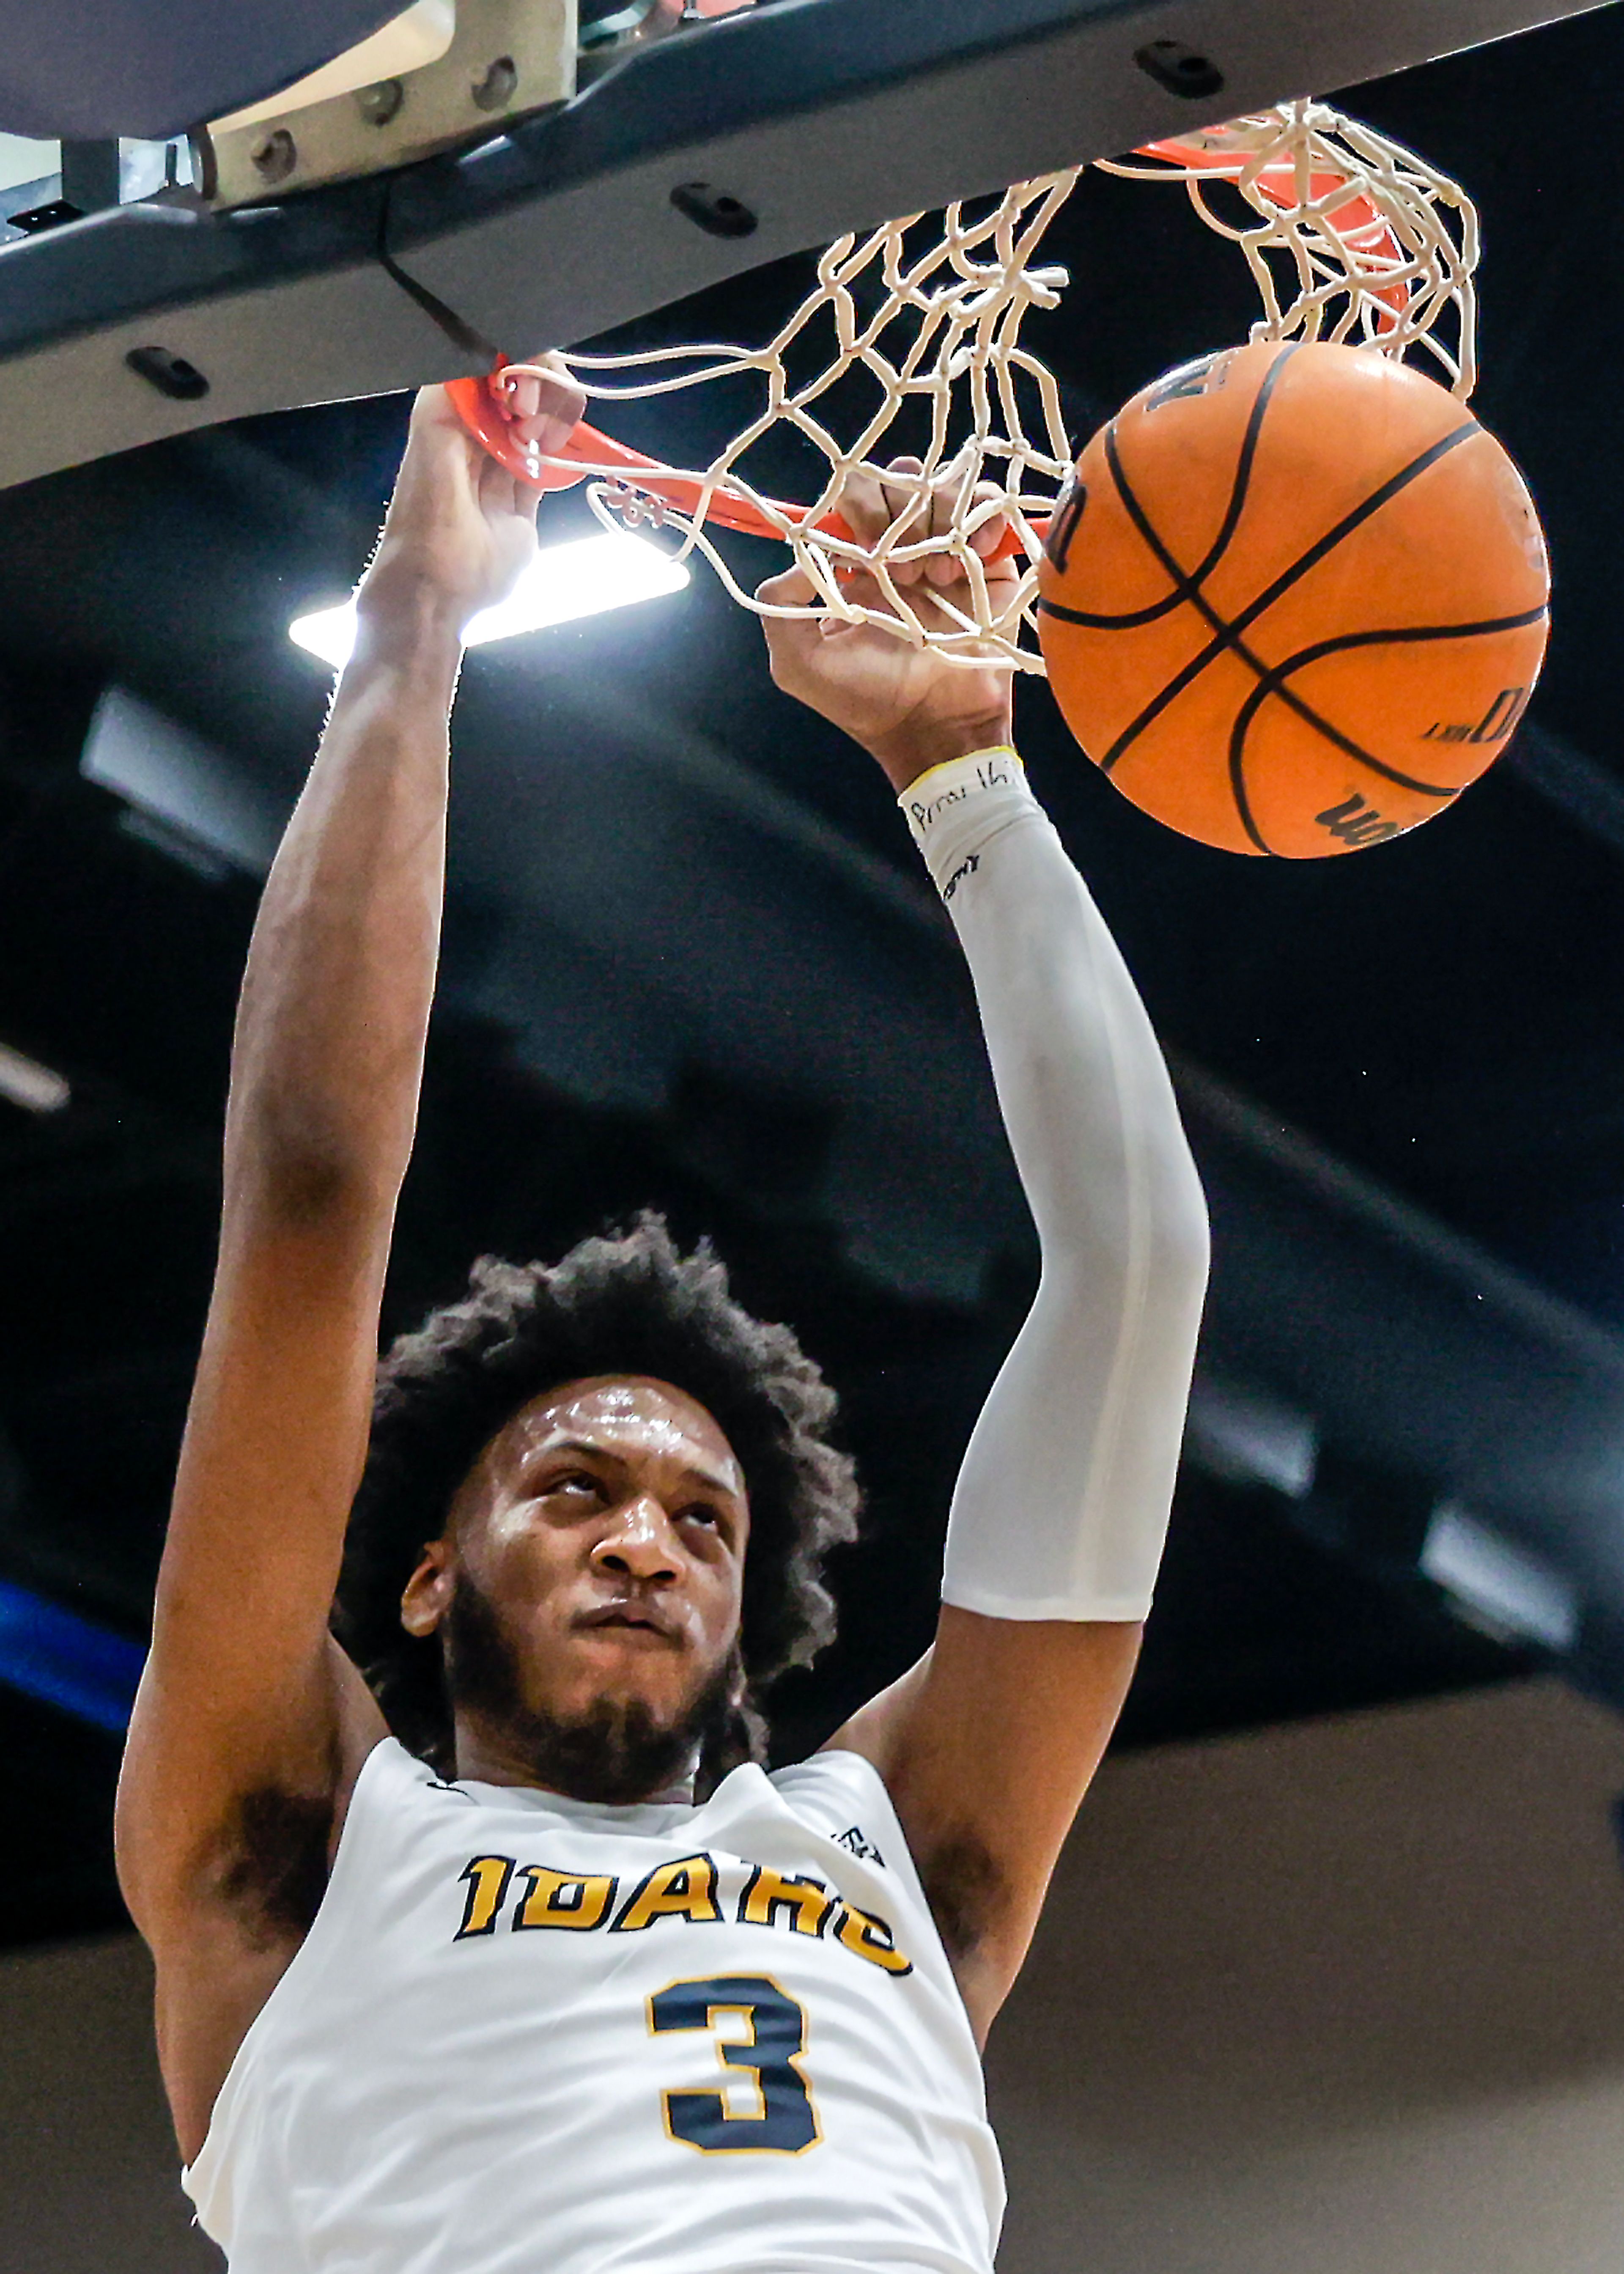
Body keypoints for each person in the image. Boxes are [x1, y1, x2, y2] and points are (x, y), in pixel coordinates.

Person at [115, 366, 1210, 2274]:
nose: (645, 1539)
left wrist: (962, 763)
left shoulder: (899, 1854)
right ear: (438, 1577)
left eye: (703, 1519)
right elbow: (306, 1203)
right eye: (574, 1493)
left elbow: (1136, 1268)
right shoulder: (294, 1844)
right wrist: (414, 623)